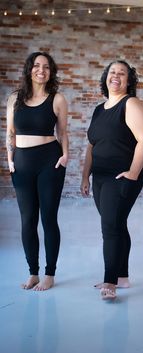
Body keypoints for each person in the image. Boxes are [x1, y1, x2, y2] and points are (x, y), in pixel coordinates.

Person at [80, 60, 143, 300]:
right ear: (105, 77)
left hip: (121, 175)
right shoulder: (100, 109)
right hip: (100, 176)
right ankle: (122, 277)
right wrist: (85, 175)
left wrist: (133, 172)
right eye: (112, 72)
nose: (116, 76)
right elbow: (92, 145)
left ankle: (110, 282)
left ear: (129, 80)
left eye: (122, 73)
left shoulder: (130, 104)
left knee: (110, 227)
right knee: (117, 224)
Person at [6, 52, 69, 291]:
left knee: (48, 218)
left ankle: (49, 274)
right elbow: (9, 132)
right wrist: (9, 157)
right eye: (36, 66)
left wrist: (65, 156)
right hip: (21, 163)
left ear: (51, 71)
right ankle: (33, 272)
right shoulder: (14, 99)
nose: (41, 70)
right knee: (27, 219)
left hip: (49, 162)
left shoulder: (57, 99)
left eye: (46, 67)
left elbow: (62, 132)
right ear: (29, 69)